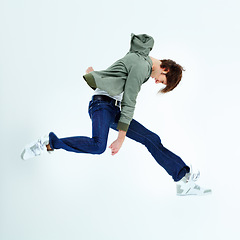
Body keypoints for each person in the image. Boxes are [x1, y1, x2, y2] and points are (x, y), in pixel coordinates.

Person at [21, 33, 212, 196]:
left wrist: (97, 76)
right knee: (98, 146)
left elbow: (118, 74)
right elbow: (130, 101)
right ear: (166, 69)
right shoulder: (142, 66)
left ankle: (183, 179)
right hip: (101, 106)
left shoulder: (141, 58)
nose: (157, 83)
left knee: (151, 139)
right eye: (162, 81)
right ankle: (48, 142)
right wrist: (121, 138)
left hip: (112, 107)